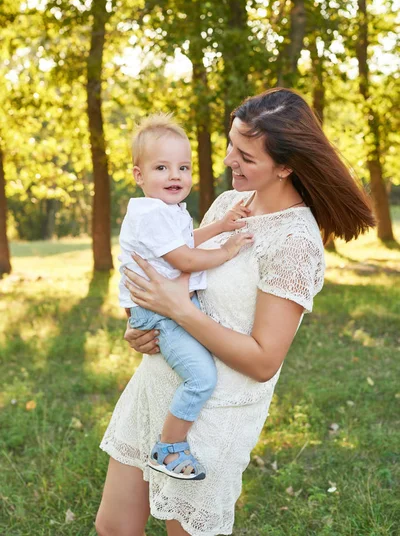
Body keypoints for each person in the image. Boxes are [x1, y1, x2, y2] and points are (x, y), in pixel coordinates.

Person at [96, 88, 375, 536]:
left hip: (212, 416)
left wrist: (179, 310)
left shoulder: (295, 243)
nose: (228, 160)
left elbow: (265, 361)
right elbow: (181, 269)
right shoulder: (230, 205)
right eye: (231, 144)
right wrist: (146, 328)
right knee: (113, 527)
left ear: (285, 166)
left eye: (245, 155)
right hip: (157, 387)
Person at [118, 114, 253, 481]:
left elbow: (187, 240)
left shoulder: (166, 211)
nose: (175, 175)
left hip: (169, 307)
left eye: (183, 167)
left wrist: (222, 224)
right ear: (139, 176)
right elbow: (184, 258)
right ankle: (169, 448)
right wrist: (227, 249)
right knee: (201, 378)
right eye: (161, 167)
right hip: (160, 314)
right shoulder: (148, 215)